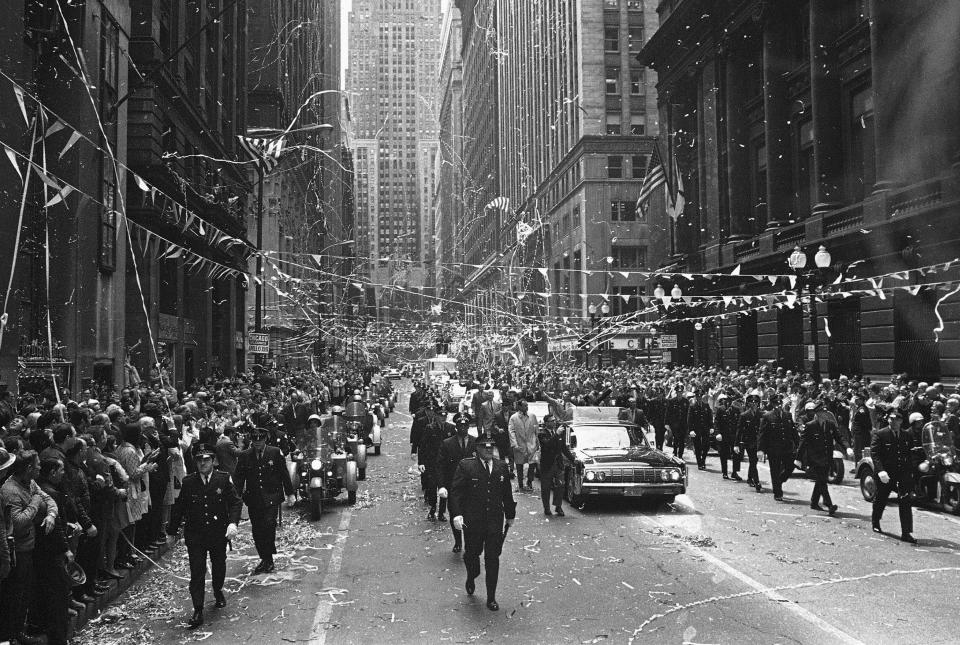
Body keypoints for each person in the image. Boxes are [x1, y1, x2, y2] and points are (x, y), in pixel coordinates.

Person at [166, 443, 242, 629]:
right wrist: (171, 531)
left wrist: (233, 523)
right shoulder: (188, 482)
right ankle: (198, 609)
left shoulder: (223, 479)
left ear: (213, 460)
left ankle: (217, 590)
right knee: (197, 571)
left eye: (206, 459)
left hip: (217, 533)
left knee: (219, 565)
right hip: (196, 535)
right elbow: (180, 508)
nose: (202, 463)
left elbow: (235, 502)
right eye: (199, 460)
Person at [449, 438, 516, 611]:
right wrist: (457, 514)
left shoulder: (501, 467)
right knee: (472, 554)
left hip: (494, 520)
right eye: (484, 447)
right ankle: (472, 575)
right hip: (473, 521)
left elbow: (506, 494)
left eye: (491, 447)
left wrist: (510, 515)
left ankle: (491, 597)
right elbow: (456, 493)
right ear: (477, 449)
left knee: (492, 559)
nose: (488, 450)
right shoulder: (466, 466)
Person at [0, 450, 57, 645]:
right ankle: (11, 635)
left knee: (24, 593)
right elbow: (18, 522)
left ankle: (17, 632)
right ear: (29, 468)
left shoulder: (30, 482)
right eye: (38, 464)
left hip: (29, 546)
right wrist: (34, 502)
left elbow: (48, 498)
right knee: (15, 595)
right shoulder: (10, 491)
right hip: (18, 550)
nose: (41, 467)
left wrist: (51, 515)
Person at [233, 427, 295, 573]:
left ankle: (269, 558)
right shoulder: (245, 456)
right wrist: (235, 499)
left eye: (260, 440)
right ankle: (264, 557)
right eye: (255, 440)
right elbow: (238, 479)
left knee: (268, 525)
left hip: (272, 496)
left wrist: (290, 493)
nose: (258, 443)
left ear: (265, 439)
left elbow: (284, 473)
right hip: (254, 498)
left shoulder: (274, 452)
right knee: (257, 530)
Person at [871, 409, 922, 544]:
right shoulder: (880, 434)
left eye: (897, 420)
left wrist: (911, 471)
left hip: (902, 473)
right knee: (881, 498)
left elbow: (910, 454)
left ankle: (906, 532)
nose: (894, 422)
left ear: (901, 421)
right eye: (891, 419)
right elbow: (875, 454)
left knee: (905, 501)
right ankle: (876, 520)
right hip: (886, 474)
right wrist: (881, 471)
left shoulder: (906, 435)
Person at [796, 402, 850, 515]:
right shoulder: (810, 425)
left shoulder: (830, 424)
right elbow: (803, 442)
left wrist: (847, 448)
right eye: (823, 412)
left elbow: (839, 437)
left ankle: (814, 502)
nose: (826, 414)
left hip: (827, 457)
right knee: (822, 481)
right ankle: (828, 504)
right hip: (814, 458)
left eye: (826, 412)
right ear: (818, 413)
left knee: (821, 480)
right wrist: (798, 458)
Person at [436, 413, 476, 552]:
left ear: (468, 427)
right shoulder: (447, 443)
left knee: (471, 514)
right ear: (456, 427)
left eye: (465, 426)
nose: (463, 429)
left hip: (471, 485)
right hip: (453, 485)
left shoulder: (475, 442)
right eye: (460, 426)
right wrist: (441, 486)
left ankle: (470, 540)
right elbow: (440, 466)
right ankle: (458, 541)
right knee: (455, 513)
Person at [758, 394, 797, 501]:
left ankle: (779, 480)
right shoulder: (767, 416)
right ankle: (777, 492)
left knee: (790, 466)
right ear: (772, 404)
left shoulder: (787, 415)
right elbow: (762, 434)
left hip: (787, 447)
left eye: (780, 403)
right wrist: (760, 449)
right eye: (776, 403)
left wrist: (797, 445)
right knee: (775, 470)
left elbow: (793, 432)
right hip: (773, 448)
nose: (779, 405)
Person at [536, 415, 576, 516]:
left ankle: (558, 506)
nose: (554, 422)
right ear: (546, 423)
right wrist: (556, 434)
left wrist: (572, 459)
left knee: (560, 485)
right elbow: (547, 445)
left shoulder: (559, 433)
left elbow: (564, 448)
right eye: (552, 421)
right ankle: (546, 508)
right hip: (547, 464)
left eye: (554, 420)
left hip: (558, 463)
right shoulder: (542, 434)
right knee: (546, 487)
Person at [508, 399, 539, 490]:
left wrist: (537, 442)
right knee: (519, 464)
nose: (527, 407)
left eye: (527, 405)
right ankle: (520, 483)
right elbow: (511, 431)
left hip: (531, 443)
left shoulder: (532, 416)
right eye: (525, 405)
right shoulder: (513, 418)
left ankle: (530, 481)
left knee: (532, 464)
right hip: (519, 444)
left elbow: (536, 430)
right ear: (519, 407)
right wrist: (514, 444)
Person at [714, 395, 740, 480]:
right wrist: (717, 433)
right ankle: (724, 472)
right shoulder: (720, 409)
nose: (728, 402)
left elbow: (738, 424)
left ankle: (734, 472)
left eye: (730, 401)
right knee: (723, 454)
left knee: (736, 454)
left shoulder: (736, 410)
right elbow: (717, 423)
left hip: (733, 435)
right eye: (726, 401)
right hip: (723, 435)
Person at [688, 391, 714, 471]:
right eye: (697, 397)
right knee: (697, 446)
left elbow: (710, 417)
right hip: (696, 429)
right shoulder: (692, 406)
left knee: (706, 445)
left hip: (705, 429)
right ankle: (700, 463)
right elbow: (689, 420)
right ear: (696, 397)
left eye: (700, 397)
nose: (699, 398)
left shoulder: (706, 405)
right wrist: (691, 430)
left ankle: (703, 460)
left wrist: (711, 427)